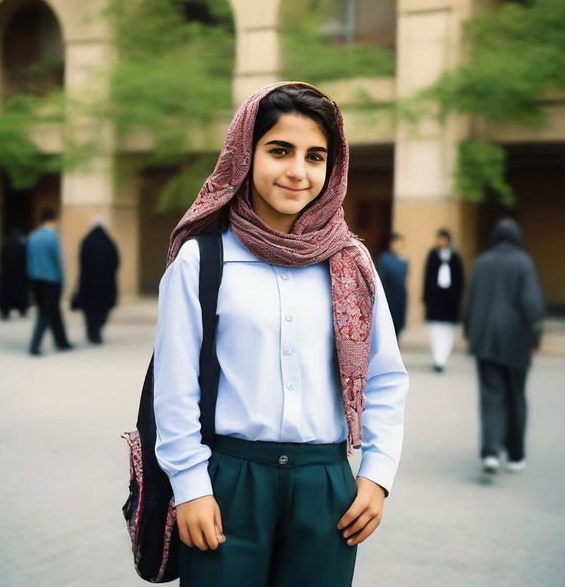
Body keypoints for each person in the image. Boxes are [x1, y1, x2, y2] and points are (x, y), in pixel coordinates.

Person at [153, 83, 408, 587]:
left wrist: (376, 476)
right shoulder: (201, 260)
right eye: (279, 150)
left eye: (316, 156)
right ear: (244, 155)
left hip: (325, 487)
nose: (297, 171)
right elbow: (175, 384)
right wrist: (190, 485)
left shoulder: (351, 264)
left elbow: (385, 378)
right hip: (229, 482)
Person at [464, 218, 544, 474]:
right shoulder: (523, 262)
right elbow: (531, 302)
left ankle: (490, 452)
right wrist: (536, 334)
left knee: (491, 396)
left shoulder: (482, 262)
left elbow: (471, 300)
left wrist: (469, 332)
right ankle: (515, 454)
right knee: (515, 396)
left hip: (485, 340)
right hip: (516, 340)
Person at [26, 209, 72, 356]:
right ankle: (35, 345)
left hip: (35, 279)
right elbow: (57, 261)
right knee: (46, 313)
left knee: (53, 311)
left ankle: (62, 341)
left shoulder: (33, 236)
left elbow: (28, 259)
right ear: (52, 220)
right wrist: (62, 280)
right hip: (51, 280)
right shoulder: (53, 237)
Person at [71, 217, 119, 344]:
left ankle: (91, 332)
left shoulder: (86, 241)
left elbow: (82, 261)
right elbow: (115, 261)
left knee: (89, 309)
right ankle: (96, 331)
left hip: (88, 282)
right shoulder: (109, 242)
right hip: (105, 283)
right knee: (103, 308)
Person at [422, 228, 464, 372]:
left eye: (442, 239)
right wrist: (426, 297)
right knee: (435, 330)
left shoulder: (455, 257)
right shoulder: (432, 255)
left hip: (450, 301)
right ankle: (437, 359)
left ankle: (443, 358)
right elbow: (427, 277)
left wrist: (458, 298)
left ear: (447, 240)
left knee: (448, 330)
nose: (440, 241)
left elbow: (460, 280)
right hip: (435, 299)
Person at [375, 232, 408, 338]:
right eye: (396, 243)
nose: (399, 246)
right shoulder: (385, 259)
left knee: (398, 326)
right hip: (389, 297)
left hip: (400, 299)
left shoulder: (403, 260)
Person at [0, 228, 30, 320]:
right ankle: (22, 310)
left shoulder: (5, 245)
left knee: (5, 295)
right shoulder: (22, 246)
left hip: (6, 275)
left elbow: (0, 259)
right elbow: (26, 260)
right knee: (21, 295)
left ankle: (4, 313)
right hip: (19, 275)